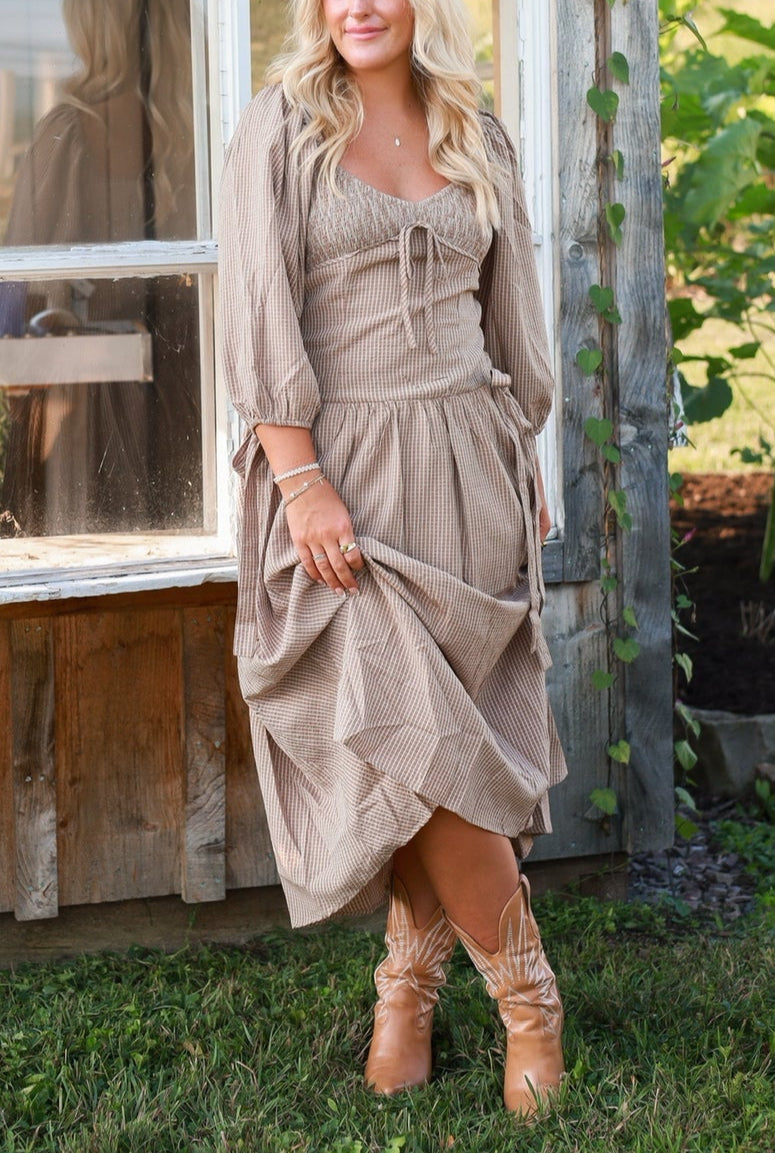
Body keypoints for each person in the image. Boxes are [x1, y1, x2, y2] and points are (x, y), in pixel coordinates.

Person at [219, 0, 568, 1117]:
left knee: (434, 755)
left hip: (470, 468)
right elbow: (257, 312)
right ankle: (529, 1002)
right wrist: (299, 480)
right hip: (341, 476)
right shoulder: (280, 128)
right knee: (410, 727)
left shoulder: (477, 130)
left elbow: (509, 315)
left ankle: (405, 993)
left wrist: (525, 454)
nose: (356, 5)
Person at [0, 0, 199, 537]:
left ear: (92, 28)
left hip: (84, 405)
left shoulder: (68, 136)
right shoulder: (197, 134)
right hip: (186, 399)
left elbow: (12, 299)